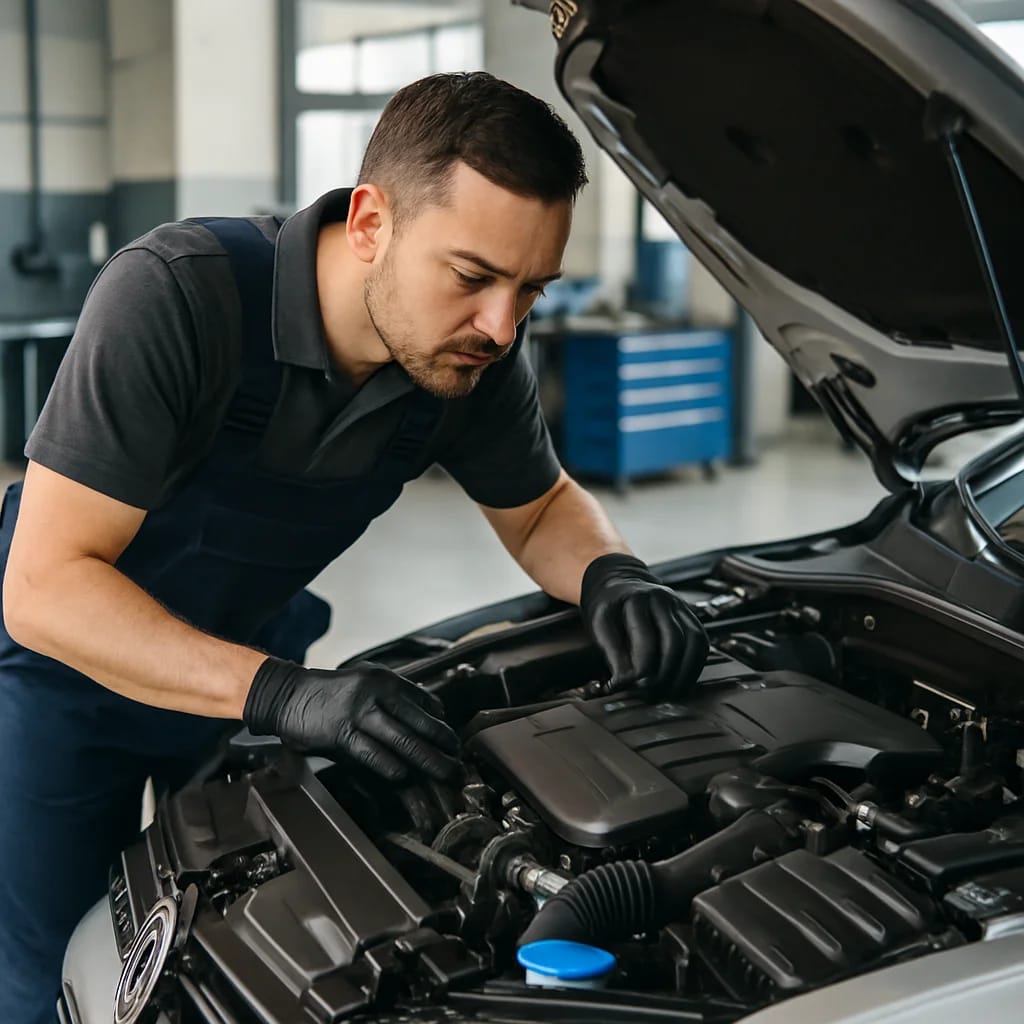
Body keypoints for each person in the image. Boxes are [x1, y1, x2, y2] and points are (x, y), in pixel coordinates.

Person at [0, 71, 708, 1022]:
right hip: (64, 679)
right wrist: (286, 693)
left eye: (531, 288)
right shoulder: (180, 296)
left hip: (246, 653)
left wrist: (612, 577)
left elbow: (538, 510)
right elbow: (44, 586)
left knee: (240, 943)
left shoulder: (467, 355)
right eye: (473, 277)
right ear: (371, 222)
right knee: (52, 975)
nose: (503, 327)